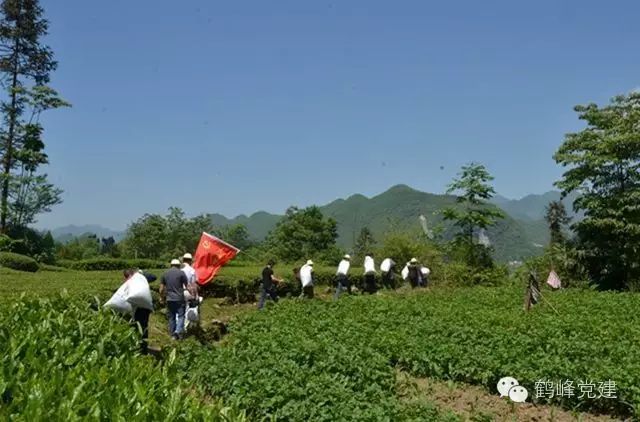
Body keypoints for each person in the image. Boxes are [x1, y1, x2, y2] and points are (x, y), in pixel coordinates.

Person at [123, 268, 153, 354]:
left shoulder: (137, 280)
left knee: (140, 328)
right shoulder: (138, 281)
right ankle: (141, 348)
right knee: (141, 328)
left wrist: (141, 272)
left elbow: (153, 277)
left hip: (140, 310)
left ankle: (141, 348)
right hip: (143, 308)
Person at [160, 259, 189, 340]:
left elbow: (161, 289)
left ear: (171, 265)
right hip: (179, 298)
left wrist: (161, 298)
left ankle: (172, 335)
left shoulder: (165, 273)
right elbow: (187, 286)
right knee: (181, 316)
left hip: (169, 299)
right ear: (179, 265)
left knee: (171, 317)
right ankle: (177, 332)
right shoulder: (181, 273)